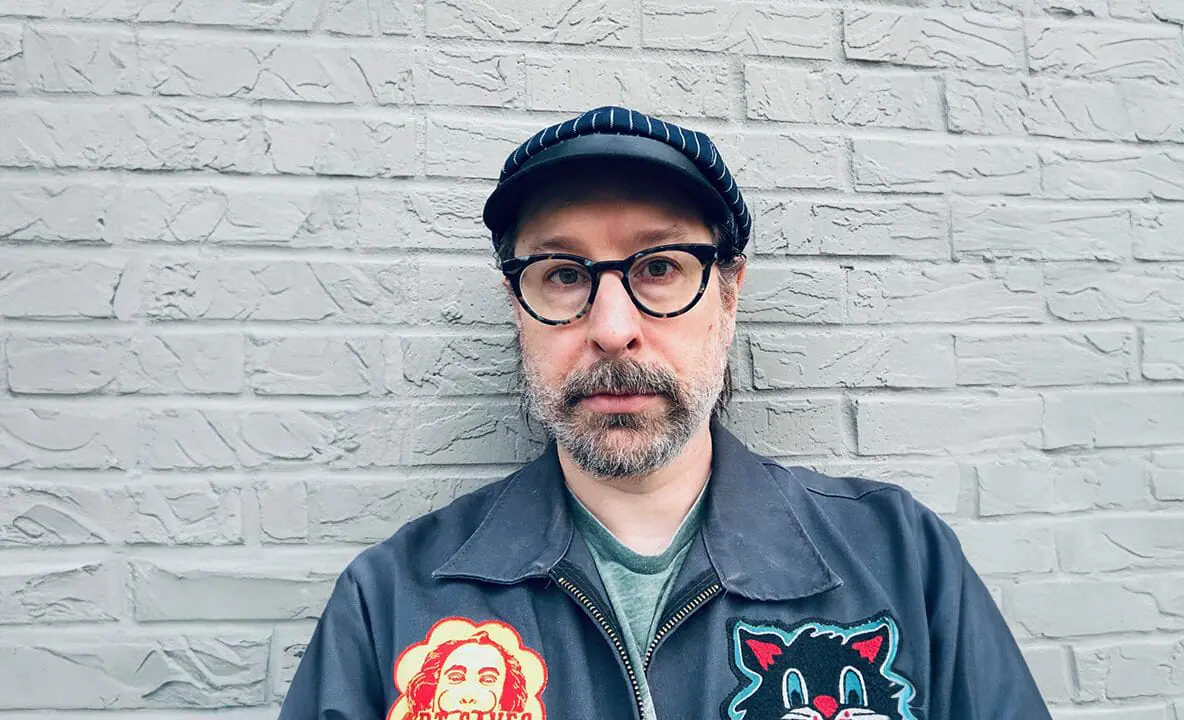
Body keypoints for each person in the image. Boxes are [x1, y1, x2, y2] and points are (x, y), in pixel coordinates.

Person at [278, 106, 1051, 720]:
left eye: (658, 267)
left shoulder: (899, 563)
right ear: (517, 303)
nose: (612, 327)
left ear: (729, 292)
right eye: (562, 274)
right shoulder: (393, 602)